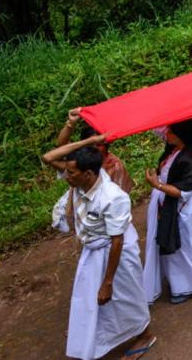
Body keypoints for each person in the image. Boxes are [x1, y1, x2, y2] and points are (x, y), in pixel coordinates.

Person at [47, 145, 154, 360]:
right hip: (93, 252)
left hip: (116, 255)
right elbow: (48, 157)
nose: (66, 176)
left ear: (88, 174)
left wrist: (107, 281)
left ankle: (144, 335)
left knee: (124, 297)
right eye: (67, 171)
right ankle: (98, 334)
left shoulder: (113, 197)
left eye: (71, 172)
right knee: (91, 298)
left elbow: (117, 240)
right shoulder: (81, 182)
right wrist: (92, 139)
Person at [143, 118, 192, 305]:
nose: (166, 133)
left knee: (188, 246)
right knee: (173, 245)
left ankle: (191, 286)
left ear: (181, 135)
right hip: (170, 203)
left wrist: (157, 185)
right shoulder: (176, 147)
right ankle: (177, 283)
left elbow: (181, 191)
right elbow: (158, 128)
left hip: (188, 208)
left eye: (170, 131)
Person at [56, 108, 134, 193]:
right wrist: (71, 123)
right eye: (90, 144)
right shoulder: (80, 158)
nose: (94, 148)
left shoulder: (114, 165)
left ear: (106, 145)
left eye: (98, 144)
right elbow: (61, 147)